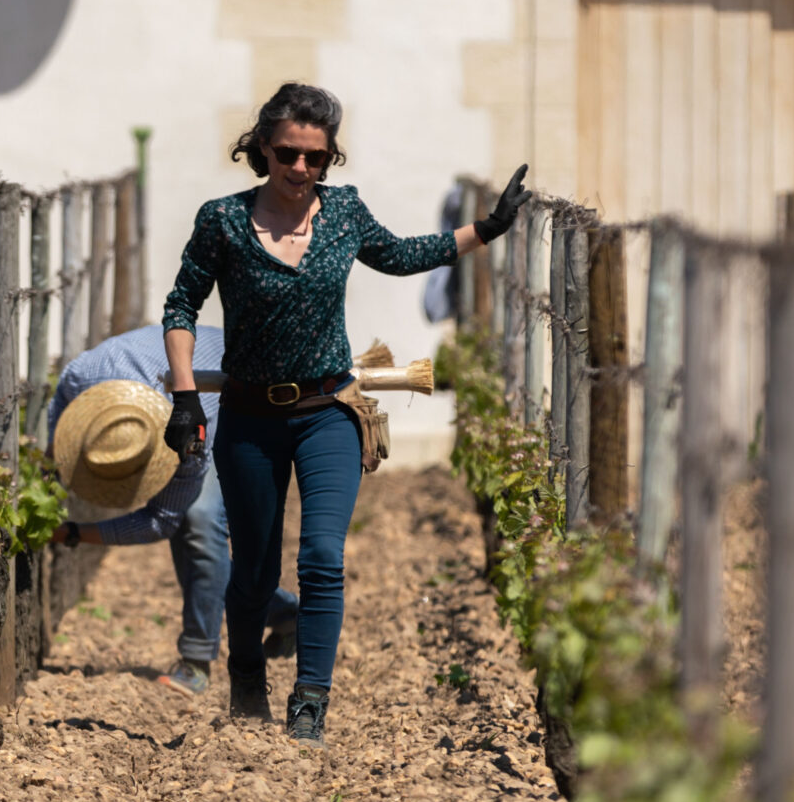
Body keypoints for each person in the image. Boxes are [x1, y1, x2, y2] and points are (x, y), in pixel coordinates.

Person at [158, 81, 526, 744]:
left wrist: (487, 230)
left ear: (331, 159)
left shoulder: (344, 213)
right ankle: (245, 676)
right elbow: (181, 305)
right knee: (255, 571)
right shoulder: (223, 221)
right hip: (248, 417)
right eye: (287, 154)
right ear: (261, 150)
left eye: (316, 158)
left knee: (324, 556)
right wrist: (186, 397)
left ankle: (310, 703)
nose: (301, 170)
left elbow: (404, 254)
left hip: (329, 408)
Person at [47, 324, 298, 695]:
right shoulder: (80, 380)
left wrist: (73, 533)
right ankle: (283, 612)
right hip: (181, 382)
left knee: (197, 521)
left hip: (234, 406)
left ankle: (196, 660)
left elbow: (161, 522)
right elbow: (57, 432)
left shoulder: (186, 443)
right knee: (190, 529)